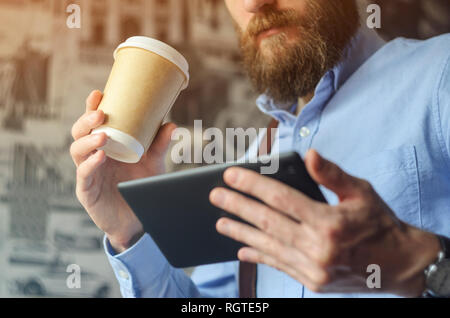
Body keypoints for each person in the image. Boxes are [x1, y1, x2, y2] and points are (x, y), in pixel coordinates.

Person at [70, 0, 450, 298]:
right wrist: (130, 232)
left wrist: (421, 264)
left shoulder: (440, 75)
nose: (253, 3)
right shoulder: (256, 157)